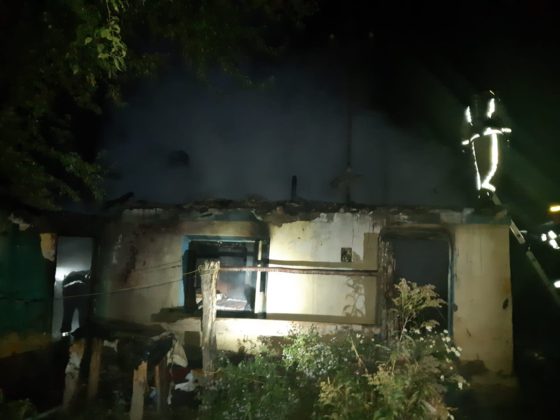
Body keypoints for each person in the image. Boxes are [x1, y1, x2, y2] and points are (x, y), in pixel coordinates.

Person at [60, 270, 90, 336]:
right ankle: (83, 334)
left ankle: (65, 335)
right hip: (77, 294)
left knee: (67, 316)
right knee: (82, 316)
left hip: (69, 293)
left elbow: (64, 286)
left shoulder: (73, 276)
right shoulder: (85, 278)